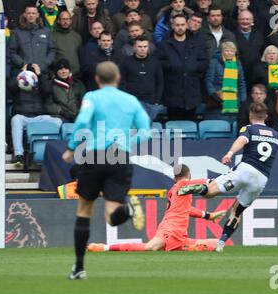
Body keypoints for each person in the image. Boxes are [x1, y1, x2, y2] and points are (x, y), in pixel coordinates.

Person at [62, 61, 151, 280]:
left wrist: (72, 148)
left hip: (93, 155)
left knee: (84, 210)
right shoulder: (130, 100)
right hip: (119, 156)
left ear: (97, 79)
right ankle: (127, 210)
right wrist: (127, 144)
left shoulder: (92, 97)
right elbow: (146, 131)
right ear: (118, 78)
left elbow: (82, 121)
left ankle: (79, 268)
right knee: (112, 217)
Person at [177, 102, 278, 252]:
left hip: (245, 170)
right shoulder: (276, 134)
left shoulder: (248, 129)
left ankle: (193, 187)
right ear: (266, 116)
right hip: (261, 179)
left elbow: (242, 140)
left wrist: (230, 153)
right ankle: (221, 243)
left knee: (209, 193)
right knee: (236, 212)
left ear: (250, 115)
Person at [87, 164, 226, 253]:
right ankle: (104, 247)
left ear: (173, 177)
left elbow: (187, 209)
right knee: (150, 247)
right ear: (189, 175)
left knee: (217, 243)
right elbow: (207, 182)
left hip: (179, 233)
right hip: (170, 229)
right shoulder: (184, 184)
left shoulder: (175, 189)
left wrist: (208, 216)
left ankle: (188, 247)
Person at [156, 14, 208, 120]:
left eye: (182, 24)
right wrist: (171, 66)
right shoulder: (165, 43)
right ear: (173, 26)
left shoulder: (197, 42)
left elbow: (204, 62)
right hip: (172, 93)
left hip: (192, 92)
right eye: (177, 25)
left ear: (187, 25)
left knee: (190, 128)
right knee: (174, 129)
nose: (180, 27)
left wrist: (193, 68)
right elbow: (158, 62)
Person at [119, 35, 164, 121]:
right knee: (134, 130)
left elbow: (160, 82)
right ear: (134, 47)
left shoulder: (155, 61)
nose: (142, 49)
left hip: (151, 102)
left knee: (148, 129)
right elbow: (121, 83)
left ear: (148, 47)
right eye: (140, 46)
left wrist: (157, 101)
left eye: (145, 46)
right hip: (133, 102)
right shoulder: (126, 62)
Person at [205, 41, 247, 119]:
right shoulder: (214, 62)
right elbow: (209, 81)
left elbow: (241, 83)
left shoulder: (237, 63)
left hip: (234, 101)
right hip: (218, 101)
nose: (229, 53)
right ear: (222, 51)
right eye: (227, 50)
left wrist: (243, 100)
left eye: (232, 51)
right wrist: (213, 94)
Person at [52, 10, 83, 78]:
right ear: (58, 21)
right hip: (60, 76)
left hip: (76, 75)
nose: (65, 21)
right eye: (63, 19)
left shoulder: (77, 37)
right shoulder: (52, 36)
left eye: (67, 19)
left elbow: (81, 56)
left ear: (71, 21)